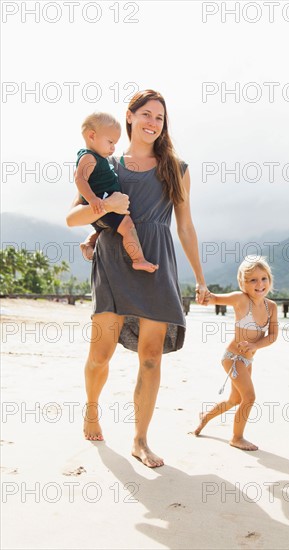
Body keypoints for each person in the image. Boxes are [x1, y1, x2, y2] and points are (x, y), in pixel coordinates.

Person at [66, 90, 209, 467]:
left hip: (157, 264)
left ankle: (140, 440)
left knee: (151, 357)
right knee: (100, 355)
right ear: (129, 117)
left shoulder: (175, 168)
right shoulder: (105, 163)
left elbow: (186, 226)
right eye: (146, 114)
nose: (152, 122)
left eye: (159, 117)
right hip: (113, 263)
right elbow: (72, 217)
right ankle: (92, 408)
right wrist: (102, 216)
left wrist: (200, 278)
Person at [192, 257, 278, 451]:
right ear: (243, 283)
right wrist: (204, 294)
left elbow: (272, 336)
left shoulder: (271, 307)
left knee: (235, 400)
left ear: (269, 280)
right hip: (232, 358)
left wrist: (255, 345)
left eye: (263, 278)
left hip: (248, 360)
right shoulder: (240, 299)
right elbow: (213, 298)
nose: (259, 284)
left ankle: (205, 416)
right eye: (253, 280)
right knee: (249, 397)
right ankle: (237, 437)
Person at [75, 112, 158, 272]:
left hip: (102, 205)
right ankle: (138, 259)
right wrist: (92, 199)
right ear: (92, 136)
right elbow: (79, 179)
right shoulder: (89, 158)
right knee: (127, 226)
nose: (113, 147)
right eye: (110, 142)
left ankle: (88, 244)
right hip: (102, 203)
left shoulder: (96, 158)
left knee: (105, 229)